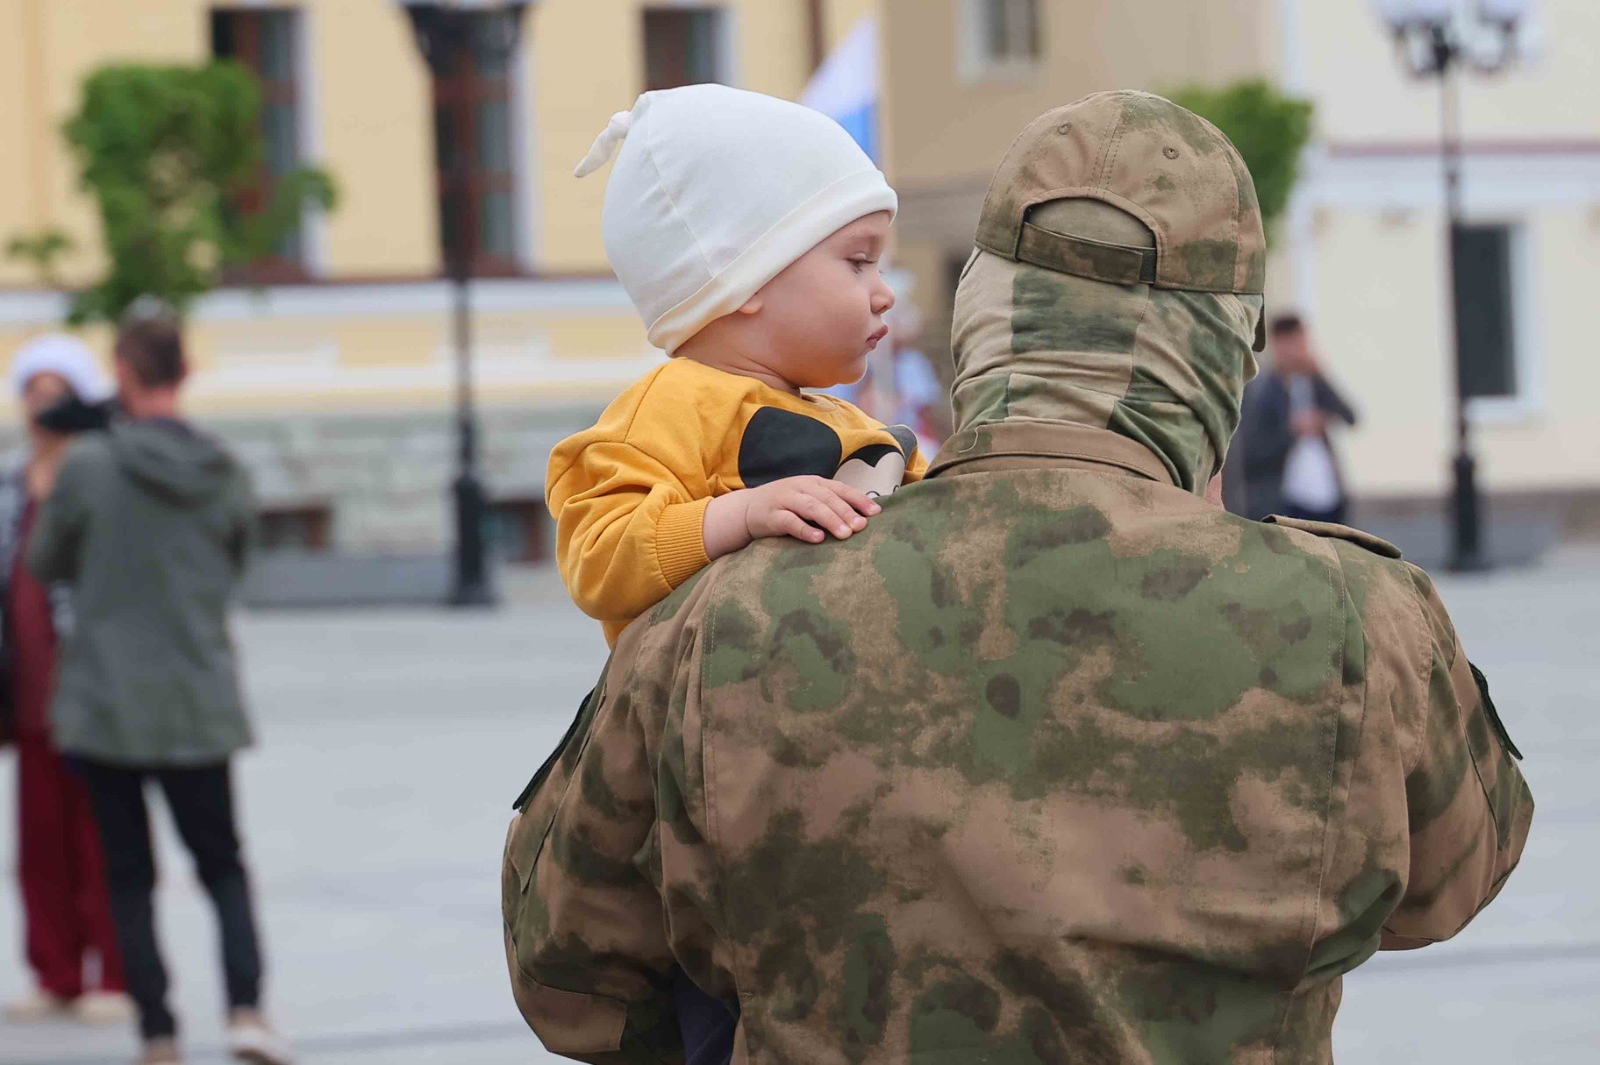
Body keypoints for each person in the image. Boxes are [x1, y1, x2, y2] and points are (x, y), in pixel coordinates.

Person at [501, 91, 1533, 1062]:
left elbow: (568, 970)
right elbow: (1446, 882)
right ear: (1222, 354)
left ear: (987, 318)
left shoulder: (723, 608)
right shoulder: (1354, 614)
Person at [550, 84, 923, 651]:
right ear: (740, 277)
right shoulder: (673, 408)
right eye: (858, 262)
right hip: (712, 726)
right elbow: (599, 559)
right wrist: (741, 514)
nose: (884, 293)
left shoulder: (859, 427)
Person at [27, 318, 292, 1065]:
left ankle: (158, 1033)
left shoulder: (87, 465)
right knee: (223, 864)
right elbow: (239, 563)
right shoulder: (222, 468)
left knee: (130, 874)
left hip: (106, 701)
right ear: (186, 372)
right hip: (198, 696)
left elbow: (46, 563)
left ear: (122, 370)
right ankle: (245, 1011)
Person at [0, 335, 130, 1026]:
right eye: (31, 390)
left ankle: (111, 970)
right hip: (27, 694)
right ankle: (53, 970)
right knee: (39, 842)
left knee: (100, 838)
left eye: (54, 391)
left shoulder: (102, 474)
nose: (40, 404)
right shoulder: (11, 484)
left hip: (94, 693)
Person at [1239, 313, 1359, 523]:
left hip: (1328, 499)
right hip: (1284, 504)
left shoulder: (1314, 382)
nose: (1299, 350)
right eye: (1292, 343)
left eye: (1302, 342)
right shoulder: (1263, 390)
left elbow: (1351, 417)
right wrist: (1293, 431)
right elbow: (1252, 453)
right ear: (1279, 345)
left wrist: (1322, 375)